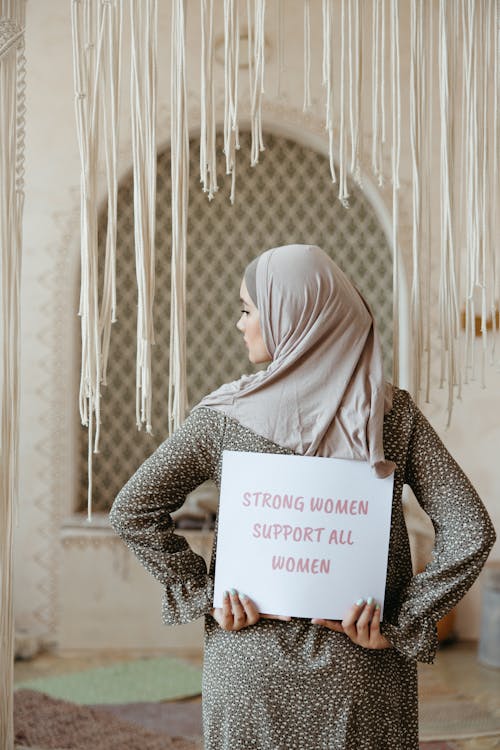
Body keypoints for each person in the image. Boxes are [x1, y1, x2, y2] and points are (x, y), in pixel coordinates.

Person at [110, 244, 496, 750]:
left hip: (247, 665)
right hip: (361, 669)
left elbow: (131, 510)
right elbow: (472, 529)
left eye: (249, 309)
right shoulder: (392, 414)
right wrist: (402, 620)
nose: (239, 323)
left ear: (290, 316)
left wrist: (206, 595)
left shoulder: (224, 418)